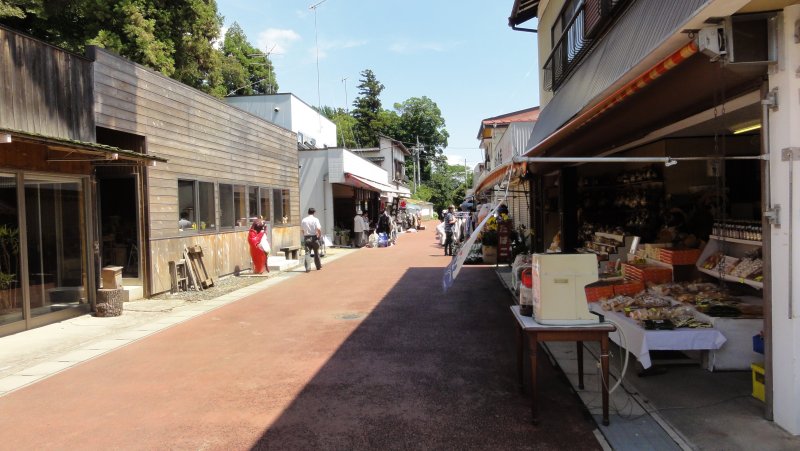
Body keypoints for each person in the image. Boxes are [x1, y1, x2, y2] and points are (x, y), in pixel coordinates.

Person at [301, 207, 322, 272]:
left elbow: (302, 230)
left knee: (307, 253)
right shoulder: (316, 219)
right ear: (314, 213)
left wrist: (304, 235)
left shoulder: (304, 220)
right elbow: (318, 229)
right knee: (316, 252)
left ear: (308, 212)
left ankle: (308, 268)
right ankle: (318, 266)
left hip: (307, 237)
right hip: (314, 237)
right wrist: (319, 235)